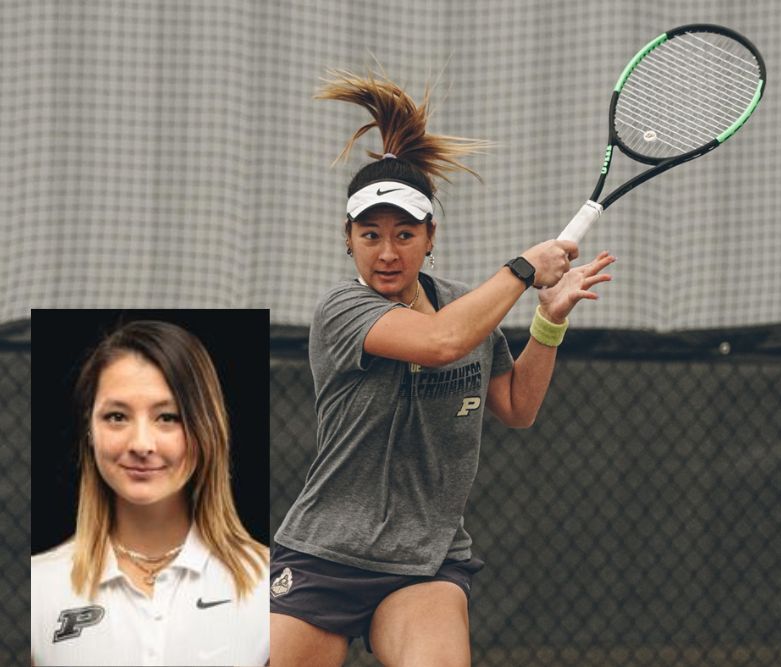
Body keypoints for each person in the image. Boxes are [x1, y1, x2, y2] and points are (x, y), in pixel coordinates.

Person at [269, 69, 615, 667]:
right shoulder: (342, 309)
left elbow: (516, 407)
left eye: (405, 233)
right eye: (369, 234)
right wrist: (524, 268)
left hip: (425, 562)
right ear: (346, 240)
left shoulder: (465, 304)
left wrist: (549, 321)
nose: (386, 251)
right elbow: (441, 342)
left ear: (431, 238)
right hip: (324, 554)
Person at [30, 320, 269, 666]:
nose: (141, 444)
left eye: (168, 417)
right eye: (116, 416)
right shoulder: (40, 587)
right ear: (89, 430)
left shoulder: (267, 585)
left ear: (206, 429)